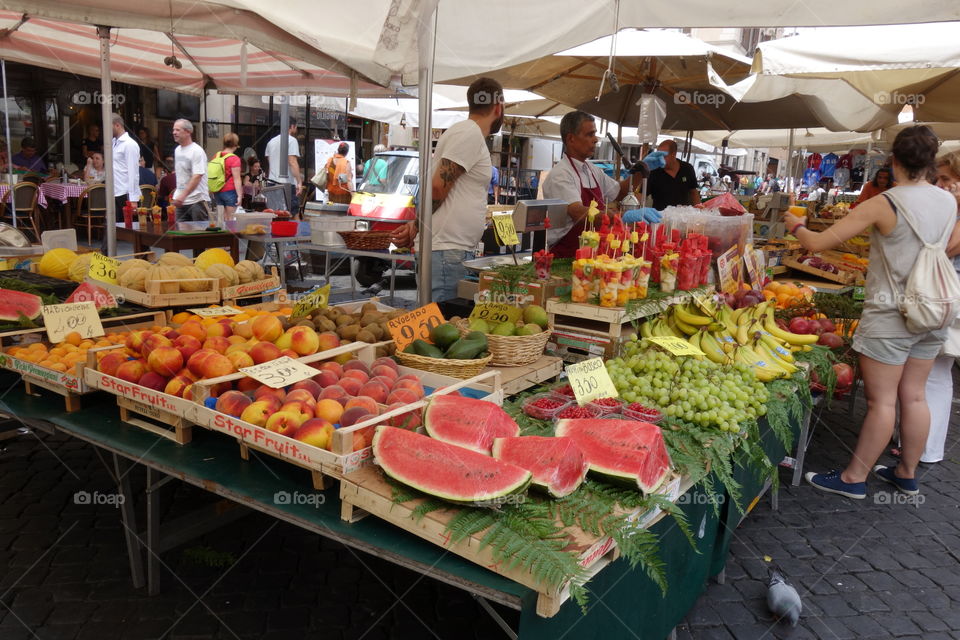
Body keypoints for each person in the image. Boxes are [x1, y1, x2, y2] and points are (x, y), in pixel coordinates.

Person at [786, 126, 957, 499]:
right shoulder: (948, 200)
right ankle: (907, 473)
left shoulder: (885, 202)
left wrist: (795, 224)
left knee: (882, 401)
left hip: (891, 313)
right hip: (932, 308)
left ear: (893, 160)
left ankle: (854, 479)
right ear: (930, 162)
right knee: (914, 396)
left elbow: (817, 242)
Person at [390, 77, 505, 302]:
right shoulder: (469, 133)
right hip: (447, 251)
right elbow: (436, 186)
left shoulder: (466, 133)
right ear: (498, 106)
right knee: (443, 327)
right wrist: (417, 224)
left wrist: (416, 224)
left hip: (449, 250)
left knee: (444, 327)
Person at [540, 110, 660, 258]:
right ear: (571, 139)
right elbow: (579, 213)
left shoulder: (592, 170)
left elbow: (620, 192)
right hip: (567, 255)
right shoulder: (561, 175)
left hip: (594, 253)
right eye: (590, 134)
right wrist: (621, 216)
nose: (596, 139)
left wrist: (642, 170)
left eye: (595, 134)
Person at [921, 151, 960, 465]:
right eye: (939, 178)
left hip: (949, 298)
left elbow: (946, 249)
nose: (942, 185)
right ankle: (920, 442)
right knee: (934, 372)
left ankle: (925, 447)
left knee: (934, 372)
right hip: (948, 296)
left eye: (947, 179)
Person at [170, 119, 210, 222]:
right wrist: (178, 195)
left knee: (199, 234)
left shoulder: (197, 151)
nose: (174, 132)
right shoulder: (177, 150)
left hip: (197, 200)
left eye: (178, 130)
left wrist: (183, 194)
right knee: (180, 234)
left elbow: (197, 176)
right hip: (181, 201)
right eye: (174, 130)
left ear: (188, 132)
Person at [646, 139, 700, 210]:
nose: (660, 159)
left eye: (664, 156)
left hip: (684, 217)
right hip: (660, 217)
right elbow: (641, 194)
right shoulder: (653, 171)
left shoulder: (687, 168)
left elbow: (693, 192)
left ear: (673, 154)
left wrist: (699, 210)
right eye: (658, 156)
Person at [265, 120, 302, 211]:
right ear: (292, 126)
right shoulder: (292, 140)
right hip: (287, 183)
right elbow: (292, 161)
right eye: (296, 127)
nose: (296, 129)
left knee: (275, 213)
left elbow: (270, 163)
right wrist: (299, 182)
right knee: (293, 214)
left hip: (272, 182)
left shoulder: (271, 142)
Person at [110, 114, 141, 220]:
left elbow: (134, 173)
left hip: (125, 193)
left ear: (117, 125)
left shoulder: (130, 144)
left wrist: (133, 199)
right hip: (114, 192)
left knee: (127, 230)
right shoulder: (113, 142)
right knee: (113, 230)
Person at [210, 132, 243, 219]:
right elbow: (237, 179)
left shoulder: (216, 156)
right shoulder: (234, 159)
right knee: (230, 220)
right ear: (235, 144)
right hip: (230, 191)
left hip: (217, 191)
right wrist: (240, 195)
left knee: (221, 220)